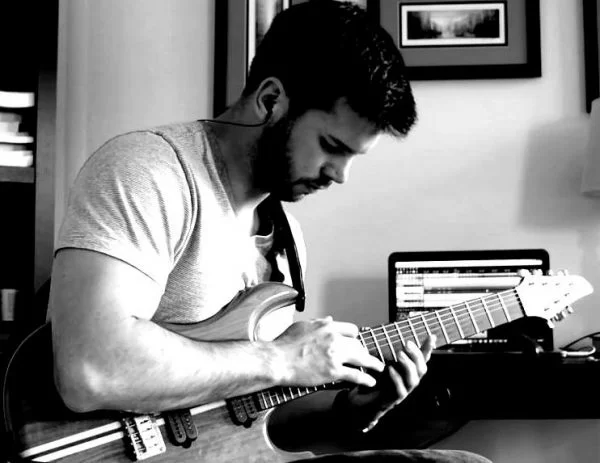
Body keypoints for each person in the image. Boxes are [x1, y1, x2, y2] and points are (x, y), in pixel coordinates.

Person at [47, 1, 491, 461]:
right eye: (331, 146)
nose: (340, 175)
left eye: (353, 158)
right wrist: (282, 358)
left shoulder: (287, 240)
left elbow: (257, 421)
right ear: (271, 100)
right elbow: (89, 370)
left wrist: (356, 409)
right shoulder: (149, 171)